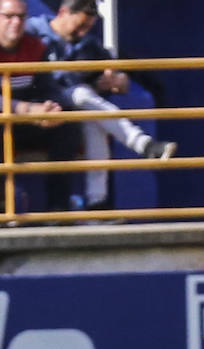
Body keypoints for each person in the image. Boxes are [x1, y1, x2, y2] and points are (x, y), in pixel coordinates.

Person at [28, 0, 175, 213]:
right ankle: (143, 144)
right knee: (81, 95)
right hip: (36, 106)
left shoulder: (87, 43)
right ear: (62, 12)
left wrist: (115, 80)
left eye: (88, 27)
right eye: (78, 25)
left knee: (93, 120)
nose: (82, 32)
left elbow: (110, 72)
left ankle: (97, 203)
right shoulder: (32, 30)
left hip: (70, 113)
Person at [0, 0, 80, 209]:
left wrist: (51, 109)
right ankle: (4, 205)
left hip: (26, 123)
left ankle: (58, 209)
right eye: (8, 16)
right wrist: (25, 109)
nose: (15, 22)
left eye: (21, 17)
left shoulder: (36, 46)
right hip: (8, 119)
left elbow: (47, 86)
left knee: (66, 124)